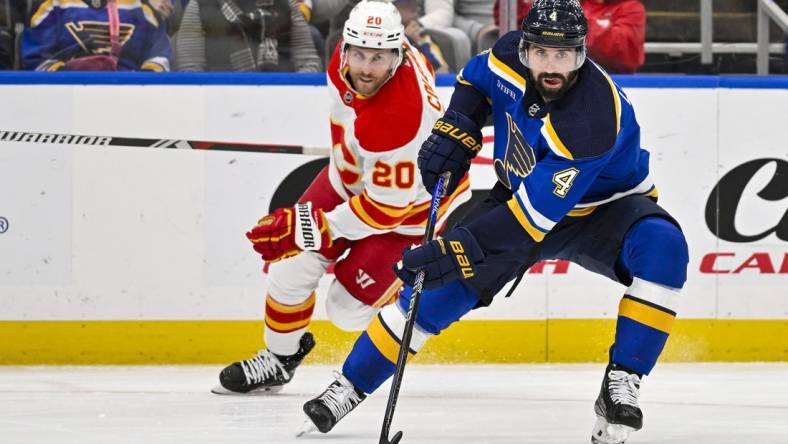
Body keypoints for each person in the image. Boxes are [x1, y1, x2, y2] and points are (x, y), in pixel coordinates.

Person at [300, 1, 689, 443]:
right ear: (524, 50)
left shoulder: (592, 120)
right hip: (519, 197)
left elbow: (529, 223)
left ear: (582, 55)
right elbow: (474, 81)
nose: (552, 66)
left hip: (605, 211)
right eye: (541, 53)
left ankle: (622, 381)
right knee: (434, 295)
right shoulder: (505, 56)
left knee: (665, 250)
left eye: (563, 55)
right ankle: (348, 386)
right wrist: (459, 124)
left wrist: (458, 247)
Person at [211, 0, 471, 395]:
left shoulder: (402, 117)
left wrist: (315, 226)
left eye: (379, 58)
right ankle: (279, 361)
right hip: (348, 182)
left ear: (398, 56)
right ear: (346, 46)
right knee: (290, 265)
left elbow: (386, 208)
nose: (366, 68)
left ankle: (419, 280)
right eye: (360, 54)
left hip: (408, 213)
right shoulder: (343, 57)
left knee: (345, 311)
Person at [495, 0, 646, 73]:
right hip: (549, 75)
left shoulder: (631, 8)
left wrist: (567, 19)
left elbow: (622, 53)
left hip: (608, 80)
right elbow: (507, 18)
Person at [22, 0, 171, 71]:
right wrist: (69, 80)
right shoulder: (53, 5)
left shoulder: (140, 8)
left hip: (127, 98)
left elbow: (159, 59)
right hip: (66, 98)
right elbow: (37, 60)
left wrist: (141, 85)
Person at [174, 0, 322, 72]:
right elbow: (191, 73)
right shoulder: (199, 7)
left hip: (280, 111)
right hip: (219, 113)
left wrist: (288, 97)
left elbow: (309, 64)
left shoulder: (286, 6)